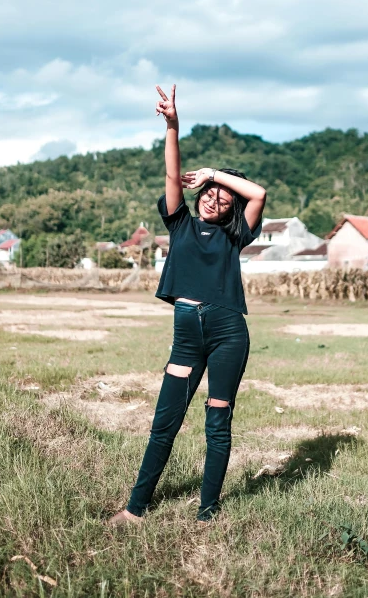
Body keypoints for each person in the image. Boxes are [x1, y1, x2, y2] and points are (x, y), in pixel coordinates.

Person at [108, 84, 266, 525]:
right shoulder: (180, 224)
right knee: (165, 422)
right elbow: (171, 173)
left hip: (229, 332)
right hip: (186, 333)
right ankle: (135, 509)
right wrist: (173, 125)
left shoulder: (237, 235)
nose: (215, 198)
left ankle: (207, 513)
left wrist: (215, 173)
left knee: (217, 423)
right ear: (197, 198)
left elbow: (258, 194)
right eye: (210, 193)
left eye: (223, 196)